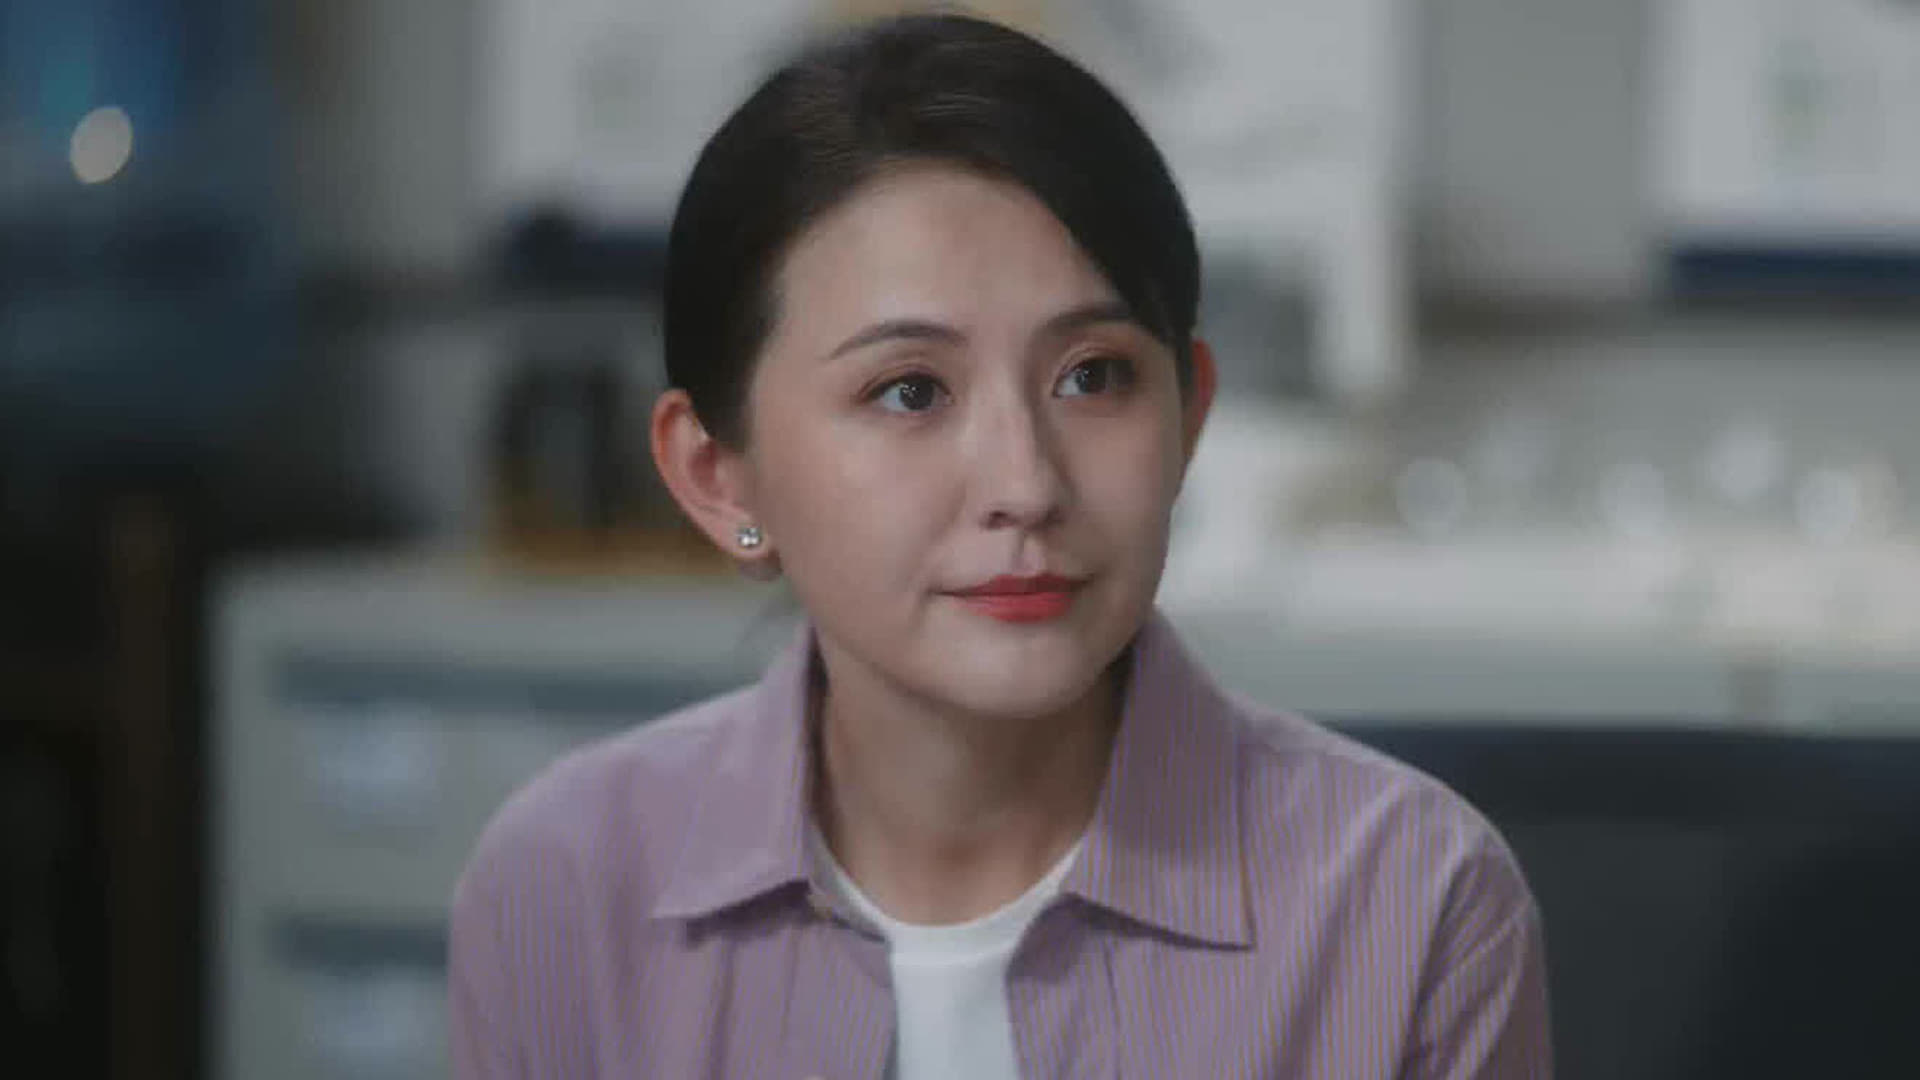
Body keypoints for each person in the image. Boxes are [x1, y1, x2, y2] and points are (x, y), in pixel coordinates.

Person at [449, 12, 1551, 1078]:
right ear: (715, 475)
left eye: (1094, 376)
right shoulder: (564, 888)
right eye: (910, 391)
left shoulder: (1410, 903)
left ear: (1188, 419)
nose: (1025, 485)